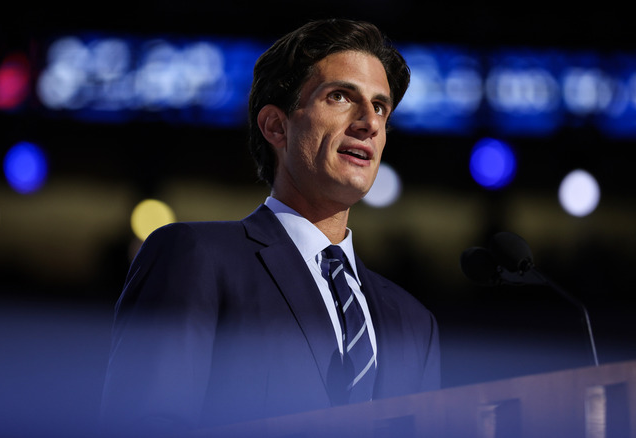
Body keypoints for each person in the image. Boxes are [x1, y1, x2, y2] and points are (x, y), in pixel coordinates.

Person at [99, 18, 441, 436]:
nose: (369, 122)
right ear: (276, 126)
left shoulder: (415, 323)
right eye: (340, 96)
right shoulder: (194, 257)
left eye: (380, 107)